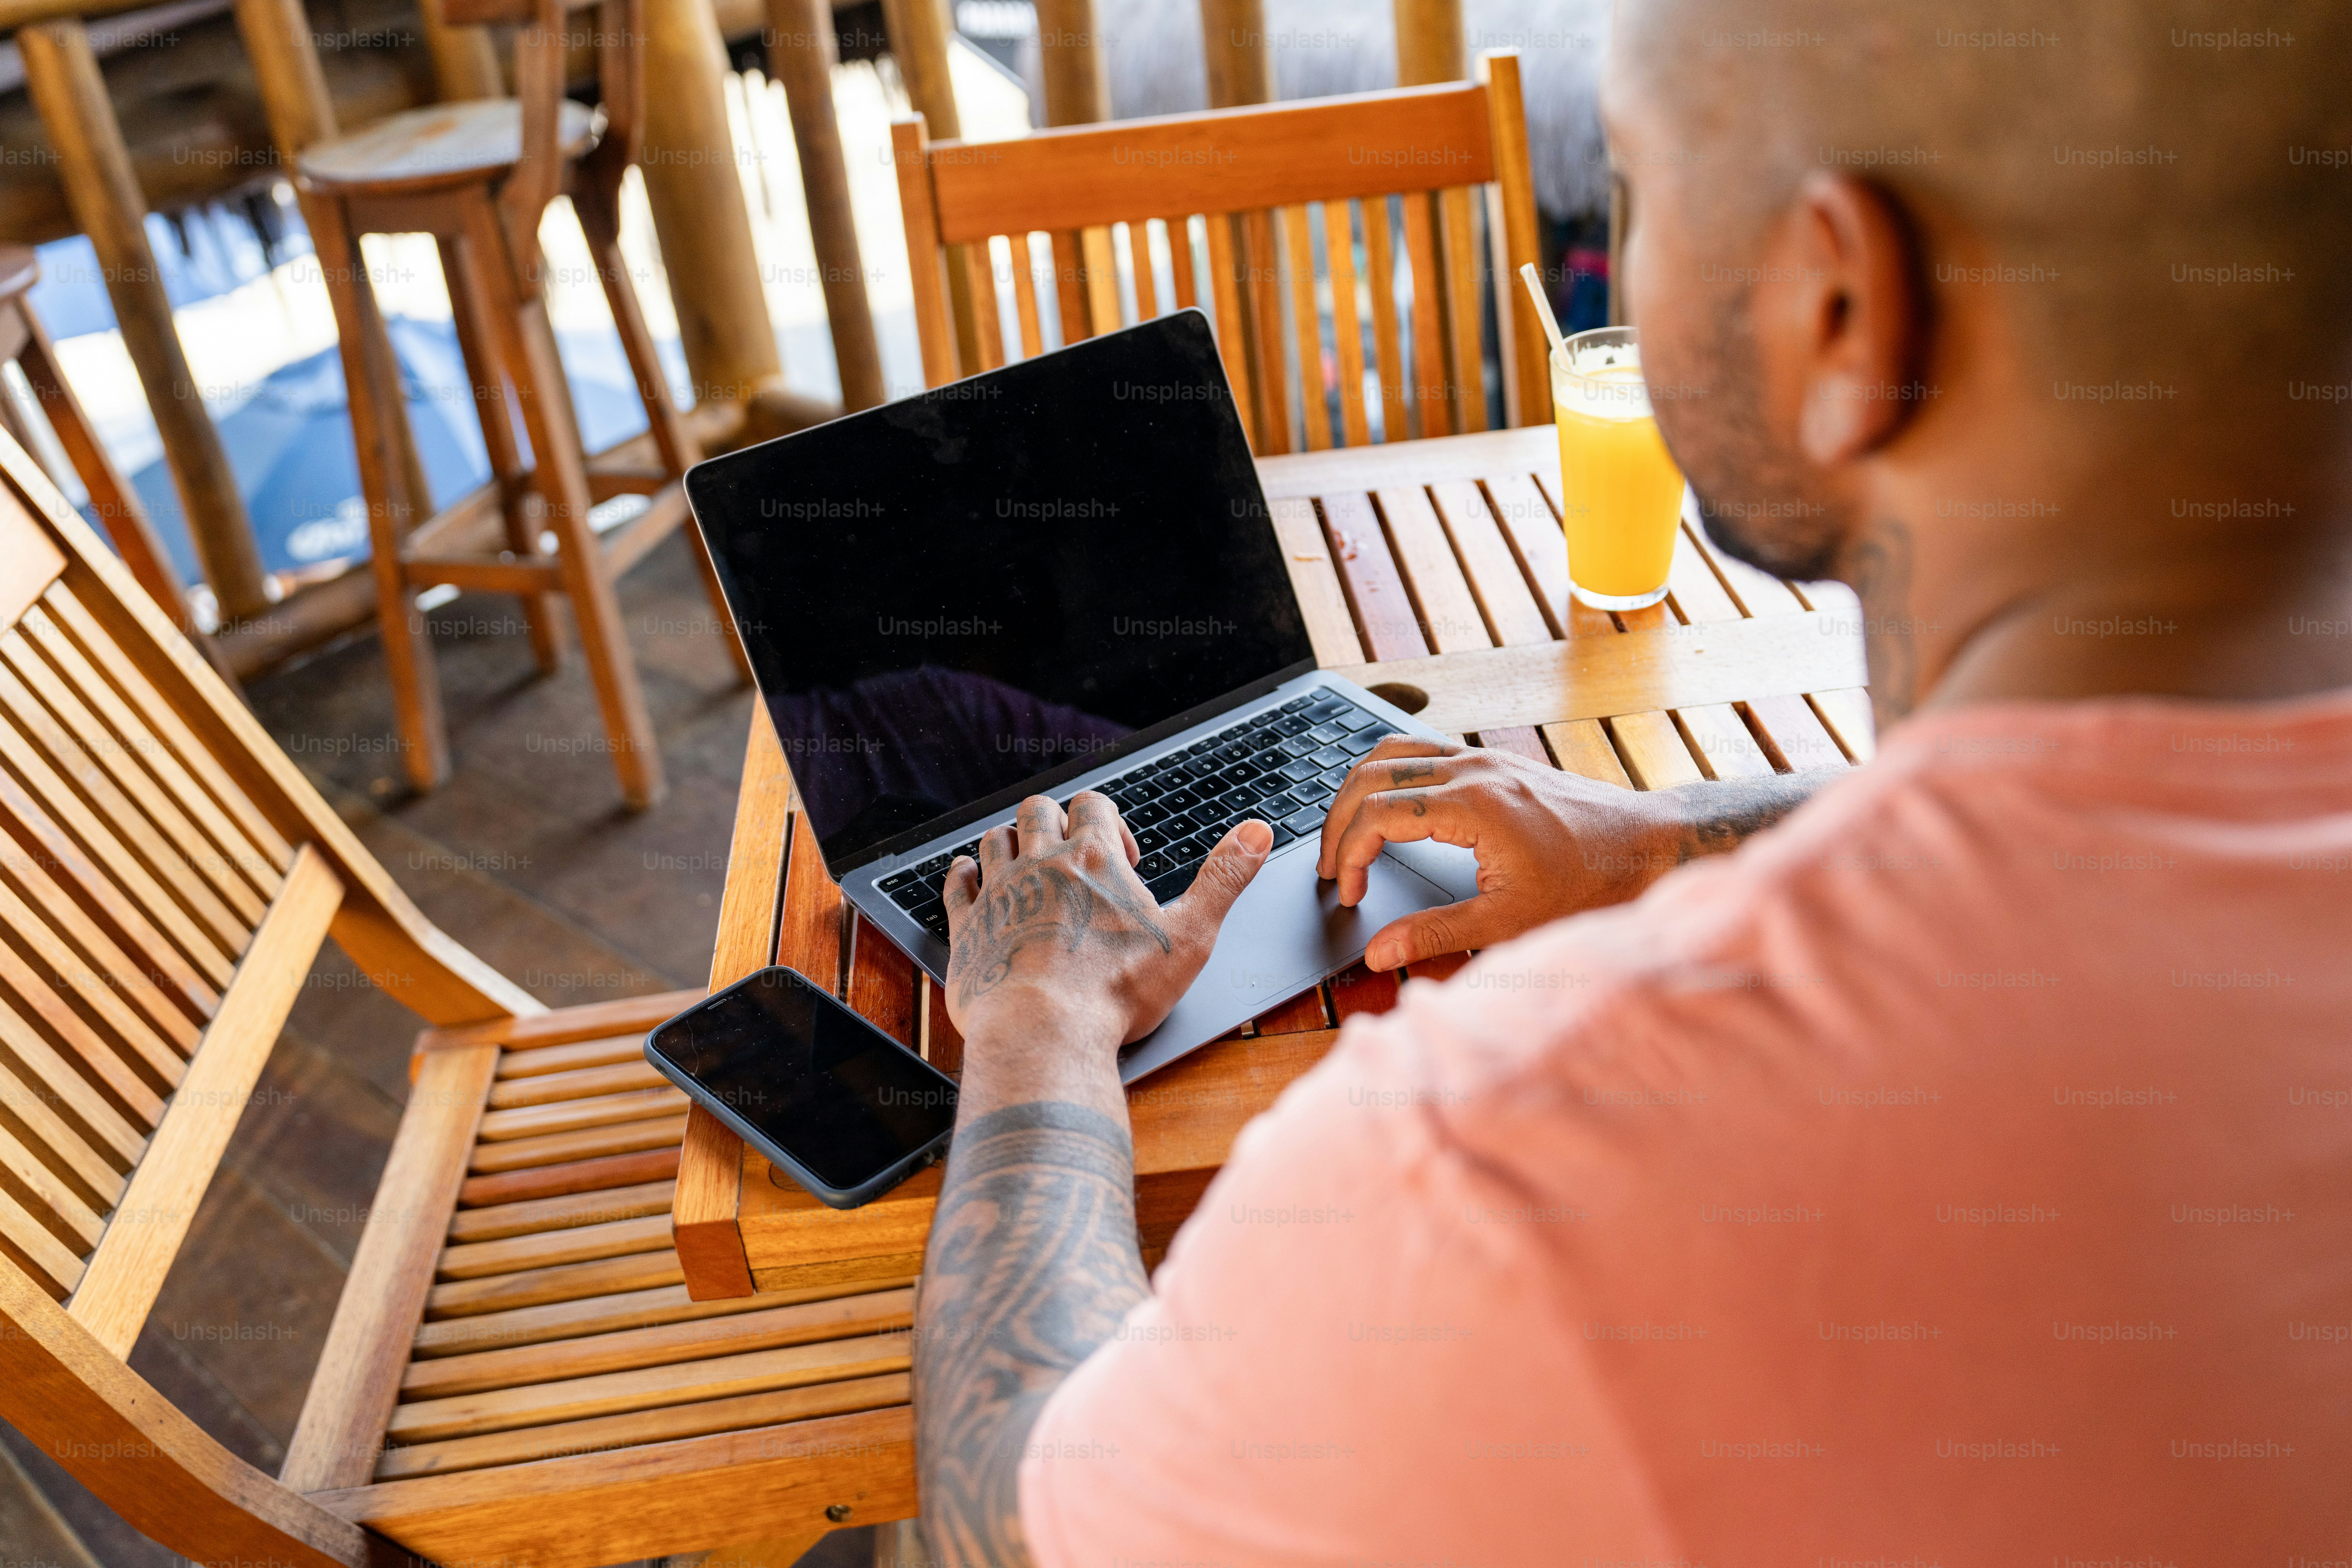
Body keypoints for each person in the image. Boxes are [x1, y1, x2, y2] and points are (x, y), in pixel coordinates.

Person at [909, 0, 2352, 1561]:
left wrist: (1038, 1021)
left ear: (1841, 308)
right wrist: (1664, 837)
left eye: (1640, 189)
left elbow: (1016, 1514)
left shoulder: (1506, 1170)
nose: (1627, 251)